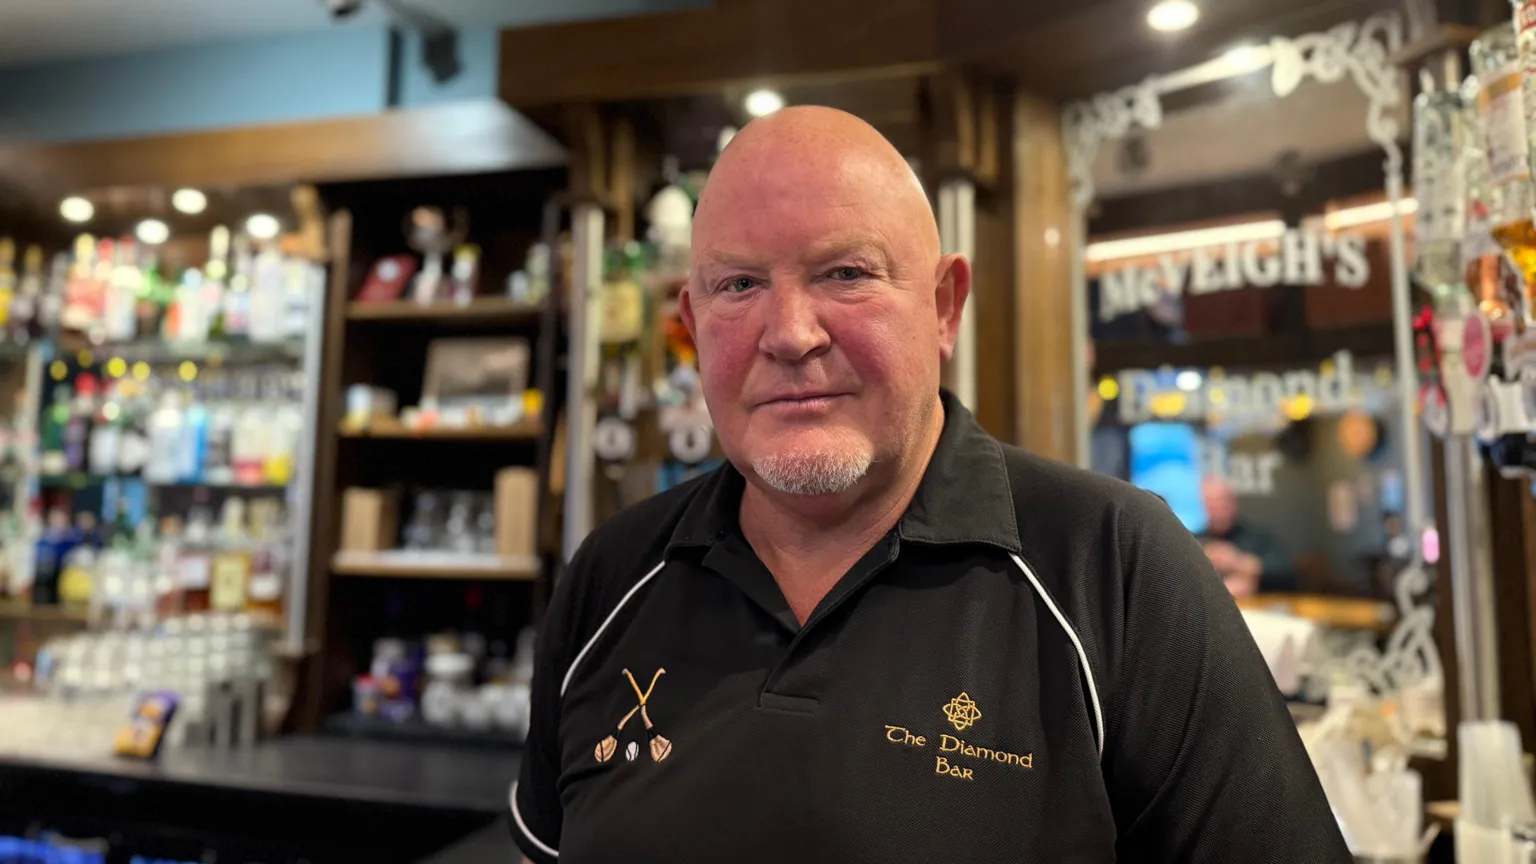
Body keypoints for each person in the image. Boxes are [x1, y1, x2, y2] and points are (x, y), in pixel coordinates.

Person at [511, 107, 1349, 863]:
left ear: (945, 307)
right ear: (691, 329)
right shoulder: (611, 576)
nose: (790, 334)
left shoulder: (1115, 568)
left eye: (846, 273)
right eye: (739, 285)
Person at [1199, 475, 1296, 599]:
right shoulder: (1195, 541)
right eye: (1211, 502)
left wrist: (1237, 562)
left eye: (1222, 500)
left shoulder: (1259, 537)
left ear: (1233, 502)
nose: (1217, 506)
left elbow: (1287, 574)